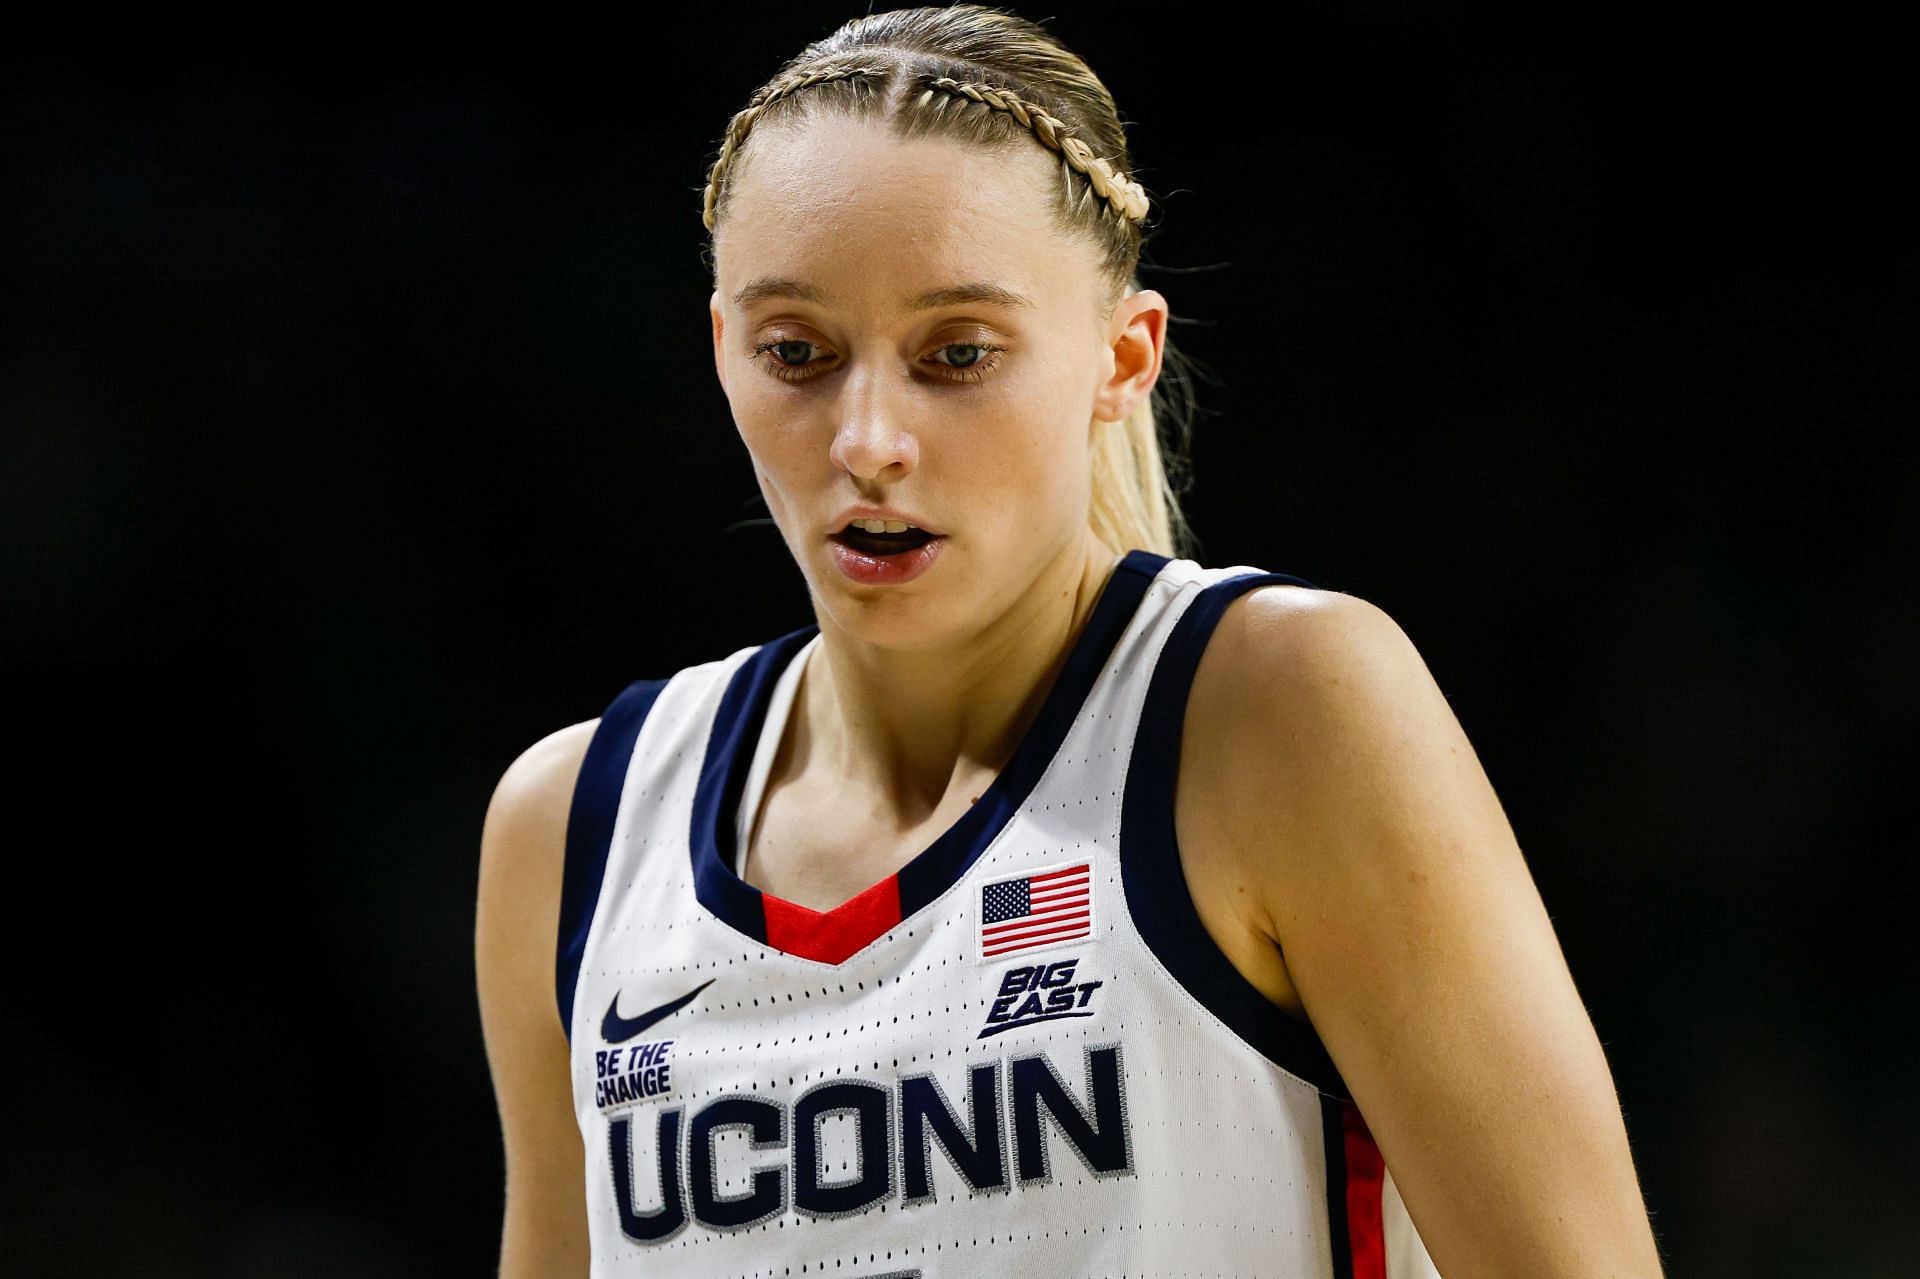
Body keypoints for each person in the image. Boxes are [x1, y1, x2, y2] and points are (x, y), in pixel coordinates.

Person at [475, 6, 1665, 1276]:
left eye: (959, 354)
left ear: (1122, 355)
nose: (868, 436)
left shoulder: (1278, 706)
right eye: (799, 353)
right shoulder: (576, 831)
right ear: (723, 353)